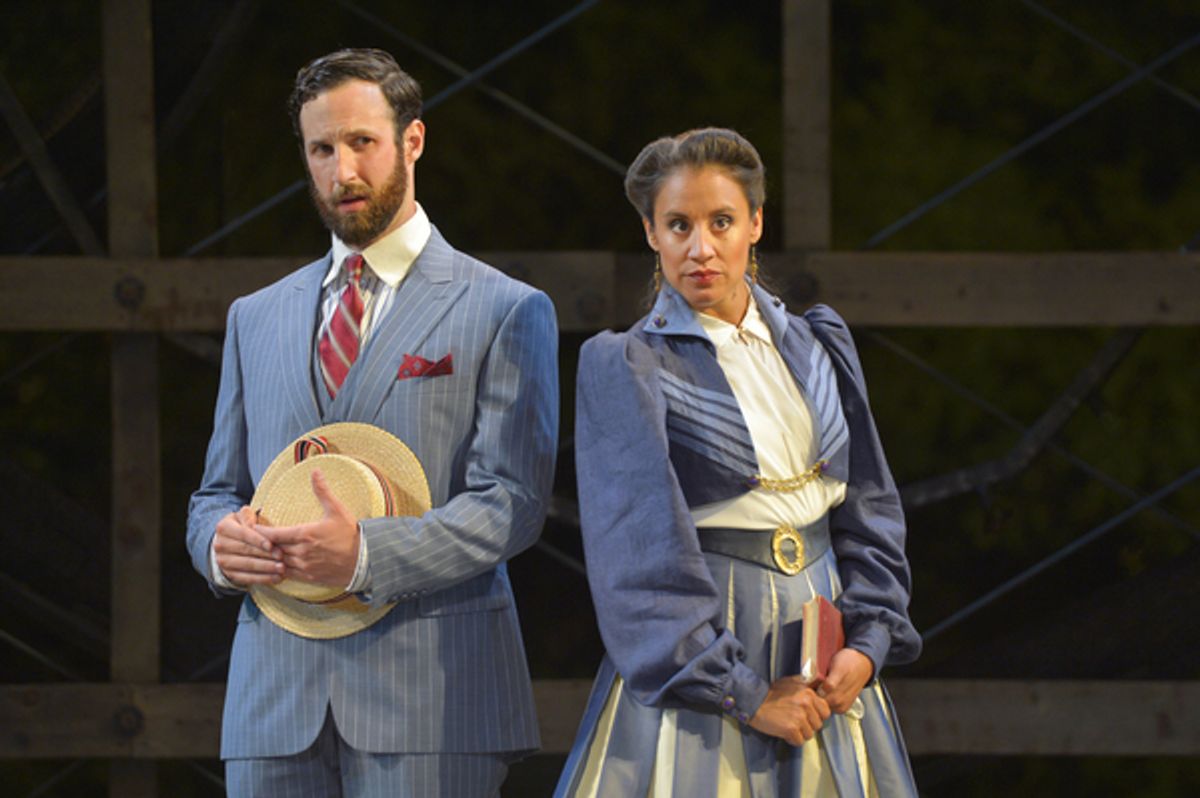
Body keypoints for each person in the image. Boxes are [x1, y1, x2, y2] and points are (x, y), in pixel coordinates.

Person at [186, 48, 558, 797]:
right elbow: (214, 495)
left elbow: (512, 506)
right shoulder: (253, 319)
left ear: (412, 141)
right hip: (272, 702)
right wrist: (219, 548)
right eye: (322, 149)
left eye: (362, 143)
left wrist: (363, 557)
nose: (342, 171)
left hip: (434, 699)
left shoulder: (503, 308)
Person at [555, 128, 921, 797]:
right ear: (651, 234)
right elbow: (638, 559)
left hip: (826, 660)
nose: (700, 247)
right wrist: (744, 694)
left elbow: (869, 508)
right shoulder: (632, 364)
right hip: (707, 658)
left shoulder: (817, 344)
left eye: (721, 222)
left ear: (755, 224)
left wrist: (867, 644)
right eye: (678, 225)